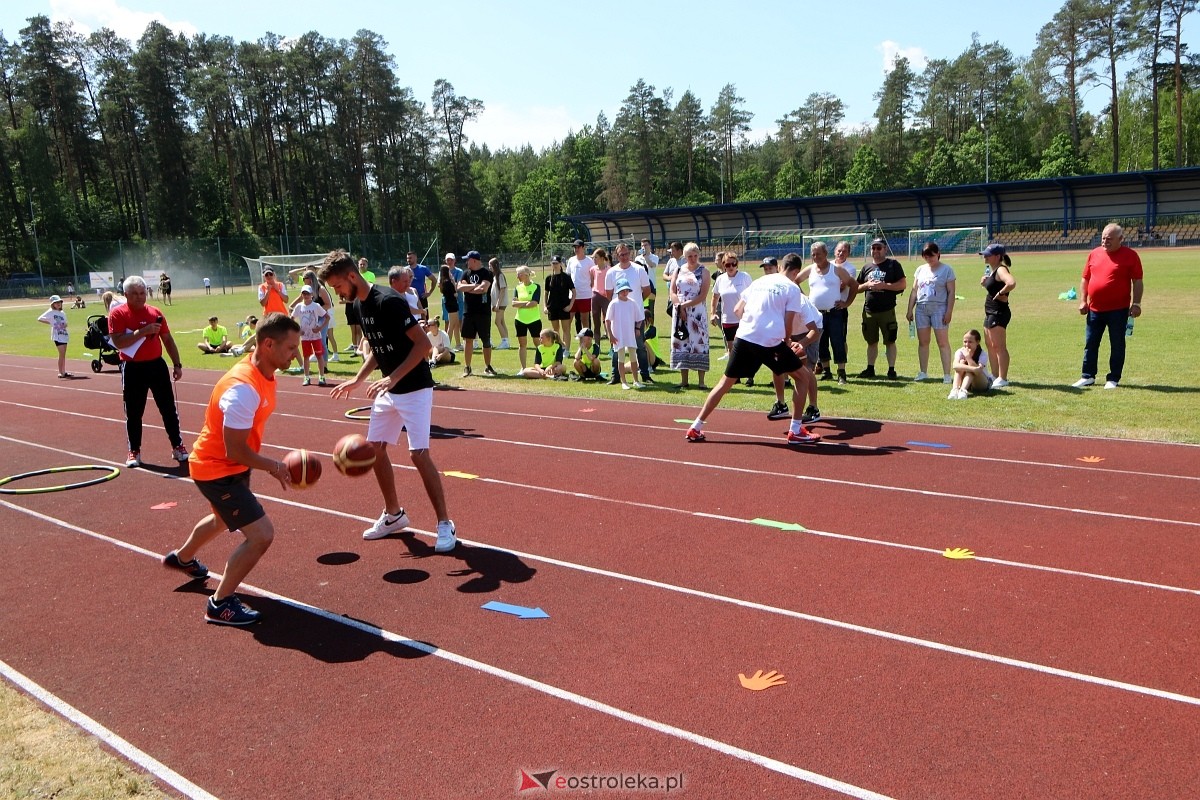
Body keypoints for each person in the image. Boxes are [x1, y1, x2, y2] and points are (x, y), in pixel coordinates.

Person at [162, 312, 301, 626]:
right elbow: (234, 449)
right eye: (291, 347)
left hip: (229, 466)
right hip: (218, 469)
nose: (296, 354)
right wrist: (274, 466)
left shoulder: (264, 373)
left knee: (222, 518)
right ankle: (220, 603)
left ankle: (182, 558)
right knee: (261, 535)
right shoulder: (242, 389)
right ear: (268, 344)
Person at [319, 250, 457, 551]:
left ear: (352, 276)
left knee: (418, 454)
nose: (337, 293)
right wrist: (358, 379)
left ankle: (444, 523)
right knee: (375, 449)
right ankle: (394, 515)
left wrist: (392, 377)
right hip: (389, 389)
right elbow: (378, 348)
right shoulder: (358, 305)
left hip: (415, 387)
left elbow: (422, 344)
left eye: (338, 286)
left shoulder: (389, 301)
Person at [684, 253, 821, 446]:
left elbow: (737, 310)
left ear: (780, 267)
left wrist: (752, 324)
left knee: (725, 383)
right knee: (803, 377)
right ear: (796, 271)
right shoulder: (792, 288)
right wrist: (787, 342)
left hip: (744, 336)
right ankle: (796, 430)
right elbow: (788, 321)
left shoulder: (759, 281)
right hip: (769, 340)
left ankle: (696, 426)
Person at [107, 276, 188, 467]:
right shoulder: (118, 314)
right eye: (135, 293)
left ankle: (177, 446)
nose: (139, 297)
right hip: (132, 367)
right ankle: (134, 451)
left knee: (168, 409)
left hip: (156, 365)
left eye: (142, 293)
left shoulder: (155, 312)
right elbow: (118, 342)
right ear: (126, 294)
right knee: (134, 412)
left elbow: (167, 339)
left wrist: (177, 364)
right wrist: (142, 331)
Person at [1074, 223, 1143, 389]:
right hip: (1094, 309)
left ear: (1121, 239)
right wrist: (1083, 300)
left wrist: (1136, 303)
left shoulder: (1131, 256)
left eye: (1109, 239)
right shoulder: (1094, 254)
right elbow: (1085, 278)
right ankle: (1087, 376)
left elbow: (1137, 281)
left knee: (1117, 344)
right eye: (1103, 238)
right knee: (1090, 343)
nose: (1105, 241)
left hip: (1118, 310)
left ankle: (1113, 378)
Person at [797, 241, 858, 385]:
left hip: (834, 312)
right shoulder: (810, 269)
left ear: (825, 253)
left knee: (838, 341)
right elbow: (795, 281)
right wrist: (804, 297)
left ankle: (841, 373)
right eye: (813, 255)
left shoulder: (836, 269)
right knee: (821, 342)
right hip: (817, 314)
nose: (816, 257)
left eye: (818, 254)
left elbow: (854, 285)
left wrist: (847, 303)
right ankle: (826, 371)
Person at [905, 242, 956, 383]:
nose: (929, 259)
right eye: (926, 257)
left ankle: (947, 375)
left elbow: (951, 292)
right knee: (923, 342)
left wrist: (949, 311)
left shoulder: (947, 270)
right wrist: (909, 309)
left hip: (939, 308)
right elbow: (914, 291)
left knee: (942, 342)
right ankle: (923, 372)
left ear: (938, 254)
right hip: (921, 308)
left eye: (931, 256)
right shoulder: (920, 270)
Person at [603, 243, 653, 384]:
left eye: (626, 254)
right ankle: (615, 376)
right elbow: (608, 294)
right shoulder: (611, 272)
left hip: (636, 317)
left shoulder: (639, 269)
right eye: (621, 255)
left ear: (630, 253)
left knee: (640, 346)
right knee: (616, 347)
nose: (624, 257)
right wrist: (620, 306)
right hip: (618, 318)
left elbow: (647, 290)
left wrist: (634, 304)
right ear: (616, 256)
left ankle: (645, 375)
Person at [857, 239, 906, 379]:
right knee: (871, 342)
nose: (875, 251)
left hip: (887, 310)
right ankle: (870, 368)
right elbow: (856, 288)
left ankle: (891, 370)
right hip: (869, 311)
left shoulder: (893, 265)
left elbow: (902, 284)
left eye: (879, 248)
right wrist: (866, 285)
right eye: (873, 248)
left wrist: (884, 285)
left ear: (885, 249)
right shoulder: (866, 267)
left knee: (890, 341)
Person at [669, 242, 712, 390]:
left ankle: (701, 381)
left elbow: (703, 295)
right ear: (684, 256)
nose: (692, 259)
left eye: (695, 256)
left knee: (699, 343)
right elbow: (672, 292)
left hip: (697, 314)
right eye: (689, 256)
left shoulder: (704, 271)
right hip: (679, 312)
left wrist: (684, 306)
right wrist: (679, 306)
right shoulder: (678, 270)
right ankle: (684, 380)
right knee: (682, 342)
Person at [979, 243, 1016, 388]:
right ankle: (994, 375)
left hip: (998, 312)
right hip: (990, 312)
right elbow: (994, 286)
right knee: (990, 345)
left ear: (997, 256)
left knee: (999, 346)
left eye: (988, 255)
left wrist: (1001, 293)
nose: (985, 257)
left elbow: (1011, 283)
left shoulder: (1001, 269)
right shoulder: (993, 270)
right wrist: (986, 284)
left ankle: (1003, 378)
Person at [456, 250, 497, 377]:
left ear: (474, 260)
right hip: (468, 312)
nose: (466, 262)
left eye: (467, 260)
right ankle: (467, 367)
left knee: (486, 340)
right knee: (468, 340)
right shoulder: (466, 273)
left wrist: (468, 288)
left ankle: (488, 366)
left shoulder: (487, 273)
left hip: (483, 312)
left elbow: (483, 289)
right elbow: (459, 287)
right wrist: (475, 286)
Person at [711, 251, 752, 363]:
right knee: (732, 350)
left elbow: (752, 295)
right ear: (723, 265)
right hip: (727, 320)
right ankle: (736, 372)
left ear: (737, 264)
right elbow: (715, 297)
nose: (731, 267)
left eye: (733, 264)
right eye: (728, 264)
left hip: (744, 320)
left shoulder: (744, 277)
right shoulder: (720, 279)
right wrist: (712, 313)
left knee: (745, 349)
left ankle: (748, 372)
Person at [605, 279, 643, 390]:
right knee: (620, 358)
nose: (625, 292)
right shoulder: (613, 303)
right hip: (618, 335)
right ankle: (624, 382)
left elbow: (639, 318)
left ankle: (636, 381)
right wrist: (610, 335)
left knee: (633, 357)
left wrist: (637, 328)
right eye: (622, 290)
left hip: (630, 334)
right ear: (618, 291)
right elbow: (607, 320)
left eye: (626, 290)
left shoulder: (632, 303)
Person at [291, 285, 329, 386]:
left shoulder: (316, 306)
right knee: (306, 357)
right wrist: (298, 330)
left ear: (311, 294)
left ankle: (321, 376)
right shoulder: (299, 306)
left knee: (319, 356)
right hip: (305, 337)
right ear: (301, 294)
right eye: (304, 293)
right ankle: (306, 377)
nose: (306, 295)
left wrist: (320, 328)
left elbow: (327, 317)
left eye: (307, 293)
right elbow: (292, 318)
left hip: (316, 336)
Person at [511, 265, 542, 370]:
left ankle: (541, 365)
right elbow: (513, 304)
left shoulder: (536, 287)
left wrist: (521, 303)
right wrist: (526, 302)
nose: (517, 277)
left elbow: (534, 303)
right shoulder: (517, 288)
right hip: (520, 320)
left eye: (519, 274)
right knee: (522, 344)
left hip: (534, 320)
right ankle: (523, 368)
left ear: (526, 275)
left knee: (538, 343)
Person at [948, 329, 993, 399]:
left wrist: (967, 357)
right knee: (961, 364)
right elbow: (955, 366)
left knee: (969, 368)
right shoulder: (960, 351)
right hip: (968, 383)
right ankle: (955, 390)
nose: (967, 344)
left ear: (977, 342)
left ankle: (963, 390)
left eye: (970, 342)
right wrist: (973, 368)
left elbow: (978, 371)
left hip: (982, 383)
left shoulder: (983, 354)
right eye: (965, 342)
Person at [544, 255, 575, 349]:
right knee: (555, 330)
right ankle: (559, 347)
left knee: (566, 329)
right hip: (552, 307)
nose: (555, 265)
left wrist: (570, 306)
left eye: (556, 263)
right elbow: (546, 293)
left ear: (560, 264)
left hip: (564, 307)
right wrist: (545, 306)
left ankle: (567, 349)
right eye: (553, 263)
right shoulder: (549, 278)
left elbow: (574, 292)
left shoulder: (566, 277)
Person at [37, 295, 72, 378]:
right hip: (57, 336)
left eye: (59, 302)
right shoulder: (51, 312)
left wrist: (64, 325)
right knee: (61, 353)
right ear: (53, 304)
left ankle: (64, 371)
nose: (58, 304)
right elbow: (40, 318)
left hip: (63, 334)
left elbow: (66, 323)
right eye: (56, 303)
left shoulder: (62, 313)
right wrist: (51, 323)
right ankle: (60, 372)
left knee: (63, 354)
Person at [567, 239, 594, 336]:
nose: (576, 249)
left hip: (585, 295)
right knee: (568, 320)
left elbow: (593, 276)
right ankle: (566, 342)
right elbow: (568, 275)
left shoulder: (589, 261)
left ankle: (587, 340)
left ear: (583, 248)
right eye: (575, 247)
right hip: (572, 296)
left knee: (585, 320)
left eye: (578, 247)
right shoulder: (571, 260)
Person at [438, 262, 462, 350]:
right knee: (452, 325)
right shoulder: (448, 282)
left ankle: (458, 344)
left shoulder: (443, 282)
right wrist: (453, 281)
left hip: (450, 304)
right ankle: (447, 345)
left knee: (456, 324)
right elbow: (455, 293)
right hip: (452, 305)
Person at [588, 248, 611, 341]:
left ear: (602, 258)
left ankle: (612, 345)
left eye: (596, 257)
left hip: (606, 298)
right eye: (593, 258)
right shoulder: (592, 269)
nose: (594, 259)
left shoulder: (609, 270)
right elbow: (592, 283)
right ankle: (597, 345)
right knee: (596, 323)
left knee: (608, 321)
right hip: (595, 297)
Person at [488, 257, 510, 349]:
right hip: (498, 303)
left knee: (497, 322)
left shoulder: (500, 275)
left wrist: (497, 304)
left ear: (495, 266)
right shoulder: (494, 276)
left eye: (490, 265)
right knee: (501, 321)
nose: (489, 267)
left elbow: (502, 290)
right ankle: (506, 341)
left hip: (501, 303)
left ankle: (504, 341)